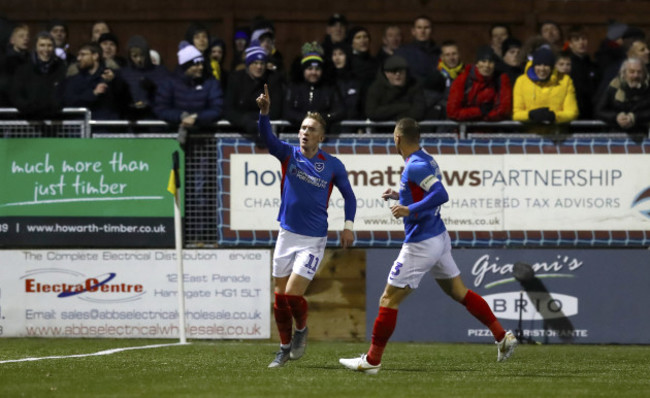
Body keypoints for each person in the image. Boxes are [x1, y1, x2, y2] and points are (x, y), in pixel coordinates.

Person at [339, 117, 517, 374]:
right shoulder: (426, 159)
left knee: (388, 299)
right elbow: (426, 194)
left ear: (398, 138)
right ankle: (503, 338)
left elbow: (441, 194)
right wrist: (400, 196)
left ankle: (372, 361)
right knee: (459, 292)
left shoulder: (416, 165)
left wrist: (409, 208)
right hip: (439, 236)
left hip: (422, 243)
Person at [255, 84, 357, 368]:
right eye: (302, 128)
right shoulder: (288, 154)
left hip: (313, 239)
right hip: (286, 234)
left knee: (291, 294)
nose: (304, 132)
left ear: (320, 136)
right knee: (279, 300)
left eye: (311, 129)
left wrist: (348, 225)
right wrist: (264, 113)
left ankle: (301, 329)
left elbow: (349, 196)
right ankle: (284, 348)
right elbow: (266, 137)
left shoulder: (332, 165)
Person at [154, 41, 223, 128]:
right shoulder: (169, 83)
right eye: (196, 64)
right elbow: (161, 109)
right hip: (174, 134)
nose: (201, 67)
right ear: (185, 66)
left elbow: (217, 109)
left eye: (202, 63)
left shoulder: (210, 83)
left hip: (204, 134)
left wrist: (196, 117)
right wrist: (181, 116)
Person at [224, 44, 283, 144]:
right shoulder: (235, 79)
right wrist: (244, 121)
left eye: (262, 63)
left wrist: (252, 117)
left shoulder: (273, 79)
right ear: (248, 65)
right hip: (238, 134)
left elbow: (276, 110)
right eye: (255, 63)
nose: (259, 67)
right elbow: (227, 109)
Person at [512, 47, 578, 133]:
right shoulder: (521, 81)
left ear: (551, 67)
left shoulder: (565, 81)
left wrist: (554, 116)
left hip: (557, 137)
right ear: (534, 65)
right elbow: (516, 114)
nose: (542, 69)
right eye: (538, 64)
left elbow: (572, 113)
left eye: (546, 65)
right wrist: (531, 115)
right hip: (530, 137)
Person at [283, 43, 345, 132]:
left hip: (323, 135)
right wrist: (306, 119)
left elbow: (340, 111)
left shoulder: (329, 88)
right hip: (296, 134)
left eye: (317, 69)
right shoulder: (294, 87)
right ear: (303, 70)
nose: (313, 72)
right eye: (310, 68)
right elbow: (287, 111)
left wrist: (321, 118)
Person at [62, 42, 128, 120]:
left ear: (95, 56)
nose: (78, 58)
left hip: (106, 127)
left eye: (83, 55)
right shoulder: (74, 80)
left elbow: (124, 98)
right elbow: (69, 101)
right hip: (83, 128)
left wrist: (114, 81)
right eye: (78, 55)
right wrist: (93, 93)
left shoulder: (111, 76)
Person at [10, 31, 66, 119]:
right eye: (42, 45)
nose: (46, 49)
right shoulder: (23, 69)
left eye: (49, 45)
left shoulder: (61, 67)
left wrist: (53, 108)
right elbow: (17, 95)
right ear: (35, 47)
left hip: (55, 121)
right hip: (28, 122)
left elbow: (64, 93)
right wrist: (31, 109)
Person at [446, 46, 512, 122]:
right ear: (477, 64)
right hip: (466, 131)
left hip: (492, 130)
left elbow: (504, 110)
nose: (487, 65)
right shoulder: (463, 80)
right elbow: (452, 112)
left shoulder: (501, 79)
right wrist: (479, 111)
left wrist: (485, 117)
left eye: (490, 62)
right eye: (483, 61)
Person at [595, 57, 650, 134]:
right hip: (616, 135)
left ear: (644, 73)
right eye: (632, 72)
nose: (636, 75)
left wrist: (634, 117)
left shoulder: (647, 89)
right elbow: (599, 110)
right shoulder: (614, 87)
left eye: (639, 72)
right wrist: (616, 117)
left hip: (642, 135)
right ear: (624, 73)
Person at [120, 35, 170, 120]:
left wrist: (153, 89)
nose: (139, 59)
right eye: (135, 56)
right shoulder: (124, 73)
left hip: (155, 118)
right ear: (129, 56)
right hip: (133, 120)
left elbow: (168, 95)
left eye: (142, 55)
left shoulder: (160, 71)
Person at [365, 55, 426, 122]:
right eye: (393, 71)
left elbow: (419, 112)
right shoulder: (376, 88)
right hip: (381, 130)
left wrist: (398, 117)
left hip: (407, 129)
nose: (397, 74)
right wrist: (403, 107)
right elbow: (372, 112)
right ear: (386, 73)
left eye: (401, 71)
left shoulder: (414, 85)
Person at [421, 40, 464, 119]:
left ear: (459, 55)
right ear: (442, 57)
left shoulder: (467, 74)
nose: (451, 58)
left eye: (454, 54)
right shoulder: (435, 77)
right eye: (447, 55)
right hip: (442, 120)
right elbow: (430, 102)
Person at [567, 25, 599, 120]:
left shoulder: (594, 66)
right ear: (570, 44)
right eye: (577, 39)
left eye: (584, 39)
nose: (581, 42)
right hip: (573, 113)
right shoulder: (567, 65)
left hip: (592, 113)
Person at [395, 16, 440, 81]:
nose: (422, 31)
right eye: (419, 28)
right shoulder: (402, 53)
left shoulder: (440, 52)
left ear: (432, 31)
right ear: (413, 31)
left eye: (426, 28)